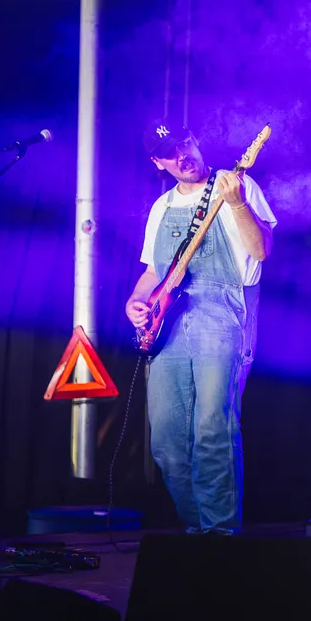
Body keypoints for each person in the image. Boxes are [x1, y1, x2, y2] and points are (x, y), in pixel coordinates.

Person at [125, 120, 277, 535]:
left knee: (213, 429)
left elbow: (262, 250)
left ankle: (219, 535)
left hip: (224, 315)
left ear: (194, 141)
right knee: (167, 442)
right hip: (171, 323)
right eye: (170, 154)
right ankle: (198, 531)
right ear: (158, 163)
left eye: (184, 144)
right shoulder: (161, 207)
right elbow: (154, 271)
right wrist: (136, 302)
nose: (182, 157)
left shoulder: (237, 185)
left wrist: (237, 204)